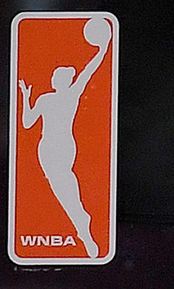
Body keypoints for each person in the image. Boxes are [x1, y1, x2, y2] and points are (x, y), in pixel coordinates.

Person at [18, 19, 111, 259]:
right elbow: (27, 123)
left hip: (60, 147)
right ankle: (82, 222)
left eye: (60, 78)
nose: (57, 80)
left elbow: (89, 73)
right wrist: (25, 97)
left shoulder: (69, 96)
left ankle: (82, 224)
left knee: (64, 186)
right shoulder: (50, 98)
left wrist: (103, 49)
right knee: (63, 187)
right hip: (48, 148)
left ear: (63, 81)